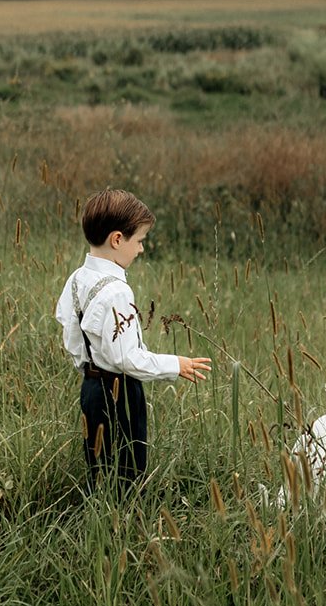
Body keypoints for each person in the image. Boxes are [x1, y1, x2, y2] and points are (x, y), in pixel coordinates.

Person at [56, 188, 211, 490]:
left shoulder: (76, 279)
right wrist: (174, 364)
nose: (141, 249)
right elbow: (127, 359)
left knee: (99, 466)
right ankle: (122, 525)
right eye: (138, 241)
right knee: (128, 470)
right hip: (121, 393)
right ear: (117, 239)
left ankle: (100, 519)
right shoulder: (116, 292)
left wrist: (88, 372)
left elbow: (71, 334)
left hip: (91, 389)